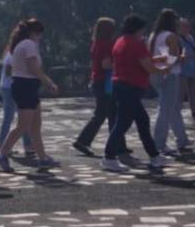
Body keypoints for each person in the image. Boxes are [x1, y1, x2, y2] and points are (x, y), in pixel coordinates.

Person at [102, 14, 169, 173]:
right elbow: (147, 67)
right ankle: (108, 157)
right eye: (142, 29)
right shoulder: (137, 44)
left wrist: (158, 60)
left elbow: (139, 60)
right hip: (130, 87)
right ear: (137, 29)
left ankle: (154, 156)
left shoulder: (120, 41)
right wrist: (164, 69)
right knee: (123, 124)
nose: (143, 31)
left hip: (121, 85)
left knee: (141, 120)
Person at [0, 19, 60, 171]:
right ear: (34, 33)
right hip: (25, 87)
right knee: (23, 126)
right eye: (39, 34)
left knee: (35, 126)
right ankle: (2, 154)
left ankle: (42, 158)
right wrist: (49, 83)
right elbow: (34, 68)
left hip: (26, 86)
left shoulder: (21, 44)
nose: (40, 37)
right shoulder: (29, 45)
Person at [149, 9, 195, 156]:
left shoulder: (154, 36)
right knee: (166, 110)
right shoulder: (171, 36)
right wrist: (182, 56)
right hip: (169, 75)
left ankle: (182, 139)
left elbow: (160, 55)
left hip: (155, 73)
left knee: (173, 109)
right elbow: (172, 58)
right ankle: (159, 143)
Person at [72, 17, 118, 156]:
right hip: (106, 82)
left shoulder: (96, 43)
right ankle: (113, 143)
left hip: (99, 81)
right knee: (108, 113)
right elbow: (106, 65)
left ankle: (114, 143)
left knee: (106, 113)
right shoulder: (107, 44)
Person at [0, 26, 33, 158]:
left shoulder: (12, 50)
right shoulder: (15, 52)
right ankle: (3, 146)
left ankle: (27, 145)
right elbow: (7, 71)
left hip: (9, 86)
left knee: (23, 117)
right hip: (10, 87)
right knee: (14, 117)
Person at [178, 18, 195, 126]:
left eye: (188, 26)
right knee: (180, 95)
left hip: (194, 70)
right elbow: (178, 55)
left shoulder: (191, 38)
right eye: (185, 26)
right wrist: (193, 56)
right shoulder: (176, 39)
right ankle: (176, 117)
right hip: (182, 71)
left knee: (194, 94)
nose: (188, 28)